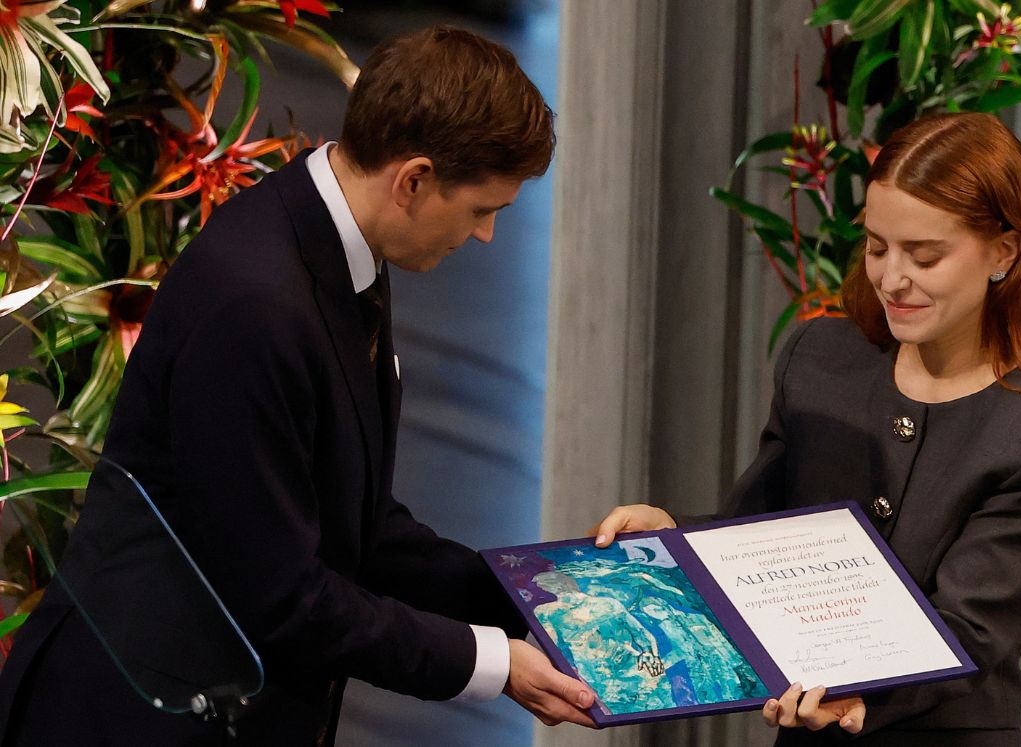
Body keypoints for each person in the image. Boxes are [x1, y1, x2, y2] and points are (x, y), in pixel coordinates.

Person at [0, 26, 594, 745]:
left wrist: (545, 598)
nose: (487, 235)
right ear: (413, 179)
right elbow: (283, 596)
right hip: (135, 715)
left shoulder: (346, 242)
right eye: (481, 209)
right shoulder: (256, 306)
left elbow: (357, 525)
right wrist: (493, 663)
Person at [591, 111, 1021, 746]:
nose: (893, 279)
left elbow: (973, 627)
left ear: (1005, 251)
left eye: (924, 255)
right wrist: (675, 539)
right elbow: (757, 537)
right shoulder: (820, 359)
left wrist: (858, 693)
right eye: (876, 247)